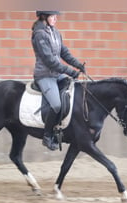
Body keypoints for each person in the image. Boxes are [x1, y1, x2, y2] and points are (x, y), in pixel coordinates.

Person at [31, 10, 86, 151]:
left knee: (72, 94)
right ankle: (47, 136)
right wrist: (71, 72)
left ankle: (61, 130)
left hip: (56, 74)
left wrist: (78, 65)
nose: (56, 18)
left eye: (56, 16)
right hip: (44, 75)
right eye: (53, 16)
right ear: (44, 16)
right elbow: (50, 61)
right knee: (56, 104)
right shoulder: (39, 35)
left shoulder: (55, 31)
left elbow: (64, 52)